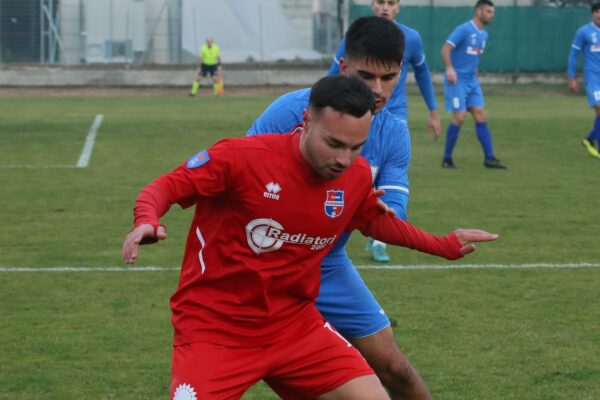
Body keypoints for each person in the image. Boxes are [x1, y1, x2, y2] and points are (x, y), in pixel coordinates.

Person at [123, 75, 497, 400]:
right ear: (306, 121)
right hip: (214, 331)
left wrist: (443, 245)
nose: (344, 159)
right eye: (334, 144)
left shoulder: (357, 175)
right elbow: (167, 186)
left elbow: (372, 221)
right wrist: (146, 219)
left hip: (294, 328)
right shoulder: (240, 158)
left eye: (356, 147)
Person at [247, 16, 429, 400]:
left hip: (328, 264)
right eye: (366, 76)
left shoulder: (393, 132)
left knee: (395, 368)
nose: (379, 90)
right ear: (344, 67)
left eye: (389, 77)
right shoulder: (290, 111)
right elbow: (237, 173)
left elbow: (394, 201)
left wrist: (388, 213)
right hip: (261, 268)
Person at [328, 0, 441, 263]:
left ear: (398, 7)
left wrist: (433, 110)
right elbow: (333, 75)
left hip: (395, 116)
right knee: (350, 169)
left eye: (391, 2)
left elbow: (423, 74)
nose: (385, 7)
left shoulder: (411, 38)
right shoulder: (354, 37)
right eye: (380, 1)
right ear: (372, 4)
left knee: (388, 178)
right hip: (356, 112)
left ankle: (380, 237)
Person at [441, 0, 507, 169]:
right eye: (489, 11)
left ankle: (489, 158)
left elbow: (474, 56)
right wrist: (450, 69)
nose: (492, 15)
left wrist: (475, 73)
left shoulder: (484, 35)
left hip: (472, 82)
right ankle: (447, 159)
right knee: (460, 117)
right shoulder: (464, 29)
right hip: (457, 81)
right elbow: (446, 48)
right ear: (479, 11)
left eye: (493, 12)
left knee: (480, 115)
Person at [568, 2, 600, 159]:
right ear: (592, 14)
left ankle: (589, 139)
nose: (599, 14)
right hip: (593, 78)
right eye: (597, 11)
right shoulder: (584, 32)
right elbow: (573, 55)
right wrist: (572, 77)